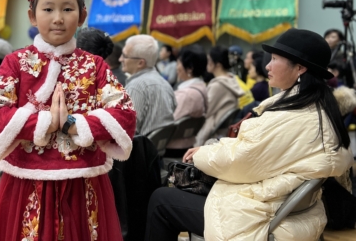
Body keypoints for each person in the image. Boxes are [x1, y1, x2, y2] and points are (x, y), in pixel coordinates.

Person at [145, 28, 353, 241]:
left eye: (274, 59)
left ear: (299, 68)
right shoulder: (314, 106)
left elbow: (241, 161)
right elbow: (253, 152)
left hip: (258, 214)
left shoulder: (294, 116)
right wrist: (211, 149)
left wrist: (202, 155)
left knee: (161, 199)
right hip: (283, 208)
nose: (267, 66)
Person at [0, 0, 136, 241]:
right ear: (32, 15)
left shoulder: (95, 65)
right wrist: (45, 123)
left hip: (82, 180)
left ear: (82, 15)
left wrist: (73, 124)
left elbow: (124, 113)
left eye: (68, 9)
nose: (58, 18)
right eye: (48, 9)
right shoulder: (15, 63)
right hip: (27, 180)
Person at [122, 35, 176, 136]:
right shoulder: (165, 83)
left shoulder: (136, 87)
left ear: (140, 63)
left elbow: (127, 131)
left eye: (125, 56)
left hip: (139, 149)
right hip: (158, 149)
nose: (121, 59)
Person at [194, 46, 244, 146]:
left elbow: (205, 111)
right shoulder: (231, 80)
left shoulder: (218, 85)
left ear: (217, 64)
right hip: (222, 130)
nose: (207, 64)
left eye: (209, 61)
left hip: (212, 132)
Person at [166, 46, 208, 155]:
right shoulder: (201, 87)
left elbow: (167, 123)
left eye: (179, 63)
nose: (177, 67)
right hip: (187, 144)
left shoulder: (186, 94)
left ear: (189, 68)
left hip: (172, 147)